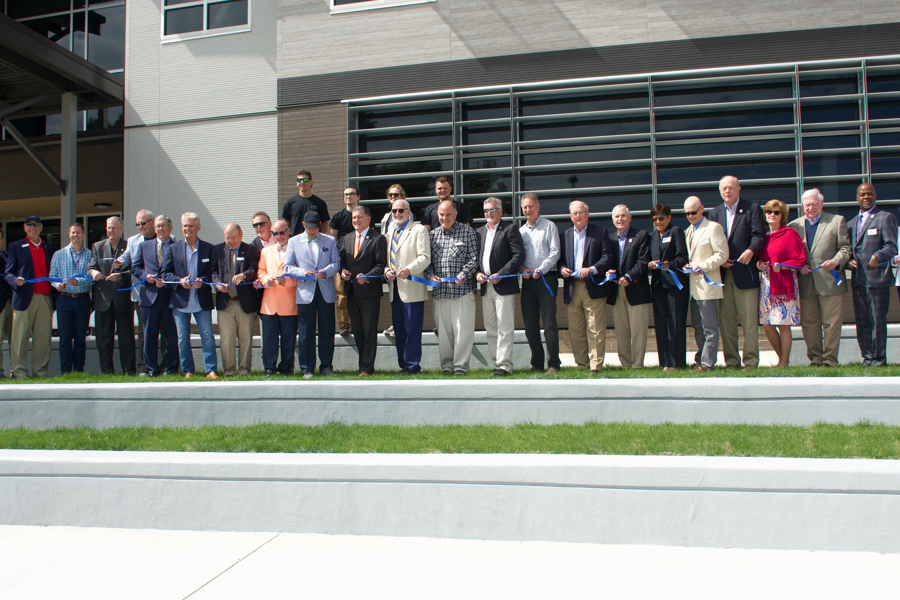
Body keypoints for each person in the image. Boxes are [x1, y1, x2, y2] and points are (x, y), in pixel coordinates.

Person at [787, 189, 850, 367]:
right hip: (806, 282)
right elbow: (791, 254)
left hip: (830, 280)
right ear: (803, 206)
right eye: (807, 204)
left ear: (821, 203)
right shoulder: (794, 226)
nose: (811, 207)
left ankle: (830, 359)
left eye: (814, 203)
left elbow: (845, 248)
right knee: (809, 323)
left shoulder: (836, 221)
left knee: (832, 323)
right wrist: (799, 267)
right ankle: (815, 358)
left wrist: (836, 261)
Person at [709, 175, 766, 371]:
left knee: (749, 321)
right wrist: (719, 259)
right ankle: (731, 362)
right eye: (724, 188)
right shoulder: (714, 213)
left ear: (738, 189)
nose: (727, 191)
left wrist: (751, 251)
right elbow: (711, 242)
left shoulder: (752, 208)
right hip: (724, 276)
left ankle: (750, 361)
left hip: (746, 273)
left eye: (731, 187)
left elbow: (759, 236)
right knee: (727, 323)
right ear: (720, 191)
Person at [162, 212, 219, 379]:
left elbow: (213, 272)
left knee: (207, 335)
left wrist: (204, 280)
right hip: (180, 301)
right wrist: (180, 281)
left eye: (191, 226)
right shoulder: (173, 249)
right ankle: (188, 370)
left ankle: (210, 370)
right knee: (182, 338)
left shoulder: (209, 248)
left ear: (198, 227)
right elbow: (165, 274)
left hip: (201, 300)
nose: (187, 229)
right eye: (185, 226)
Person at [559, 200, 614, 374]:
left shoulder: (600, 232)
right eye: (575, 213)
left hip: (593, 286)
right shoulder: (565, 235)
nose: (578, 216)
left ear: (587, 214)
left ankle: (595, 366)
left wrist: (592, 269)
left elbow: (607, 256)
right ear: (571, 216)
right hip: (572, 287)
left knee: (595, 328)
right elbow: (560, 259)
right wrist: (562, 269)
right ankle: (582, 364)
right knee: (575, 329)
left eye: (581, 212)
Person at [283, 211, 340, 379]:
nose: (312, 231)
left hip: (325, 291)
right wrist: (302, 272)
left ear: (320, 226)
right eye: (309, 228)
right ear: (303, 225)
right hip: (305, 291)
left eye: (315, 228)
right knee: (306, 331)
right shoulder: (293, 241)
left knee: (327, 330)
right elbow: (287, 267)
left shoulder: (329, 240)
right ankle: (307, 368)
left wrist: (327, 272)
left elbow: (336, 263)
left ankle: (326, 366)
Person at [425, 200, 479, 375]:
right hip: (441, 293)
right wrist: (430, 275)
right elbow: (427, 262)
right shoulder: (432, 236)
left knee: (463, 332)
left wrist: (464, 273)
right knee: (444, 333)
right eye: (441, 215)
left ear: (455, 214)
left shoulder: (468, 232)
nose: (444, 218)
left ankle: (461, 366)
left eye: (448, 214)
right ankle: (447, 366)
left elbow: (474, 259)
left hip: (462, 291)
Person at [848, 183, 898, 367]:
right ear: (857, 198)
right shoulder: (851, 224)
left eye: (869, 194)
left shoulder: (885, 218)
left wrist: (878, 256)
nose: (866, 197)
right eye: (862, 194)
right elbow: (849, 251)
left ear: (875, 195)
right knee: (862, 322)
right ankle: (867, 358)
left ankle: (879, 359)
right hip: (858, 281)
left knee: (877, 321)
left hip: (878, 280)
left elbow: (891, 247)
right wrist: (847, 262)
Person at [476, 197, 524, 377]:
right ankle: (496, 363)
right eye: (486, 210)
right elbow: (476, 258)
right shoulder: (479, 232)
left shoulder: (510, 229)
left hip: (504, 286)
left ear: (501, 211)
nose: (489, 213)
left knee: (505, 326)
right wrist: (477, 273)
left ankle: (505, 365)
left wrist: (501, 274)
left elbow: (518, 256)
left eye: (493, 210)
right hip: (486, 287)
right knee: (490, 327)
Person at [757, 199, 807, 368]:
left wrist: (784, 266)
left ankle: (783, 362)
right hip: (767, 285)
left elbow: (800, 258)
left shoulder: (789, 234)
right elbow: (758, 258)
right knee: (767, 325)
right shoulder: (762, 236)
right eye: (769, 212)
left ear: (782, 216)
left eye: (776, 212)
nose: (772, 215)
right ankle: (782, 359)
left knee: (783, 324)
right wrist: (759, 264)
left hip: (784, 283)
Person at [4, 216, 56, 378]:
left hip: (45, 297)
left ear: (41, 228)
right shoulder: (15, 246)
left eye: (36, 224)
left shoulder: (49, 247)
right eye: (29, 225)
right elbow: (8, 273)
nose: (32, 227)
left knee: (42, 338)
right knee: (20, 337)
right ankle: (19, 372)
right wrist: (15, 280)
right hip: (23, 298)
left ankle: (40, 372)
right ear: (24, 227)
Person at [340, 206, 387, 376]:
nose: (356, 221)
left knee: (369, 331)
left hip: (369, 292)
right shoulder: (347, 238)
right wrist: (343, 271)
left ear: (368, 219)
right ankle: (363, 365)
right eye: (353, 218)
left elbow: (381, 265)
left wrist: (367, 276)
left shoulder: (377, 238)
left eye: (359, 218)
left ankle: (367, 367)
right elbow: (342, 261)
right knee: (358, 330)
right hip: (352, 291)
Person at [683, 196, 728, 372]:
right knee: (698, 327)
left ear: (702, 209)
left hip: (708, 286)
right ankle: (701, 358)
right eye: (687, 213)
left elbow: (722, 254)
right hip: (693, 288)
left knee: (709, 327)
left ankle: (708, 363)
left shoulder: (713, 228)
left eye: (694, 212)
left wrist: (701, 266)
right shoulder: (688, 231)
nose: (691, 216)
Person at [519, 192, 562, 374]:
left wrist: (541, 269)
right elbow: (517, 256)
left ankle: (554, 364)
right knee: (530, 325)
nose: (528, 210)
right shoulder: (520, 231)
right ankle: (537, 364)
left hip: (546, 280)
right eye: (524, 207)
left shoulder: (549, 226)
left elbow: (555, 252)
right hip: (527, 282)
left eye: (530, 206)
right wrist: (522, 269)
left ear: (538, 206)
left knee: (549, 324)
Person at [131, 215, 179, 377]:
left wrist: (166, 282)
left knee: (171, 334)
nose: (160, 229)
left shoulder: (177, 245)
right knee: (149, 335)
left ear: (170, 228)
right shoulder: (144, 246)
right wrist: (147, 276)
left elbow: (180, 270)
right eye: (158, 226)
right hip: (149, 297)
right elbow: (135, 268)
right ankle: (151, 369)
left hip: (170, 297)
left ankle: (171, 368)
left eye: (163, 226)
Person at [87, 216, 135, 375]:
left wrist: (121, 276)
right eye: (108, 228)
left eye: (114, 228)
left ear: (121, 230)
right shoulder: (97, 246)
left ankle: (129, 371)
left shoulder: (129, 246)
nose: (111, 231)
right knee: (103, 340)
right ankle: (106, 372)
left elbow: (135, 270)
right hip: (103, 299)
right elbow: (91, 267)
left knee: (126, 339)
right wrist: (94, 272)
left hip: (123, 300)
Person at [606, 204, 652, 369]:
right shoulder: (610, 238)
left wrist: (628, 277)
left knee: (638, 330)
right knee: (622, 330)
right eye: (617, 216)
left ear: (630, 218)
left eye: (623, 216)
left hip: (636, 288)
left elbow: (643, 262)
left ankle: (637, 364)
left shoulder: (641, 235)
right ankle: (626, 364)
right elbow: (607, 259)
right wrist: (608, 271)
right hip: (616, 290)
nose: (620, 219)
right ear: (613, 220)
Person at [213, 223, 260, 377]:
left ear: (241, 234)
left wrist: (243, 275)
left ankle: (244, 370)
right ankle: (229, 371)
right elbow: (212, 272)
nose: (231, 241)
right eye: (228, 238)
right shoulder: (217, 250)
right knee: (227, 339)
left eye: (234, 237)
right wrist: (217, 284)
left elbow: (254, 269)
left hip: (244, 302)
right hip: (225, 301)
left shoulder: (251, 250)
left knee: (246, 337)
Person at [648, 203, 690, 371]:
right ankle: (664, 362)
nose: (658, 222)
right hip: (658, 285)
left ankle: (676, 363)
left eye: (661, 218)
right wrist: (651, 264)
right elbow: (647, 259)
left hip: (674, 285)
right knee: (661, 323)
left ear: (669, 217)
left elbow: (682, 256)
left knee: (675, 323)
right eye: (655, 219)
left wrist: (669, 264)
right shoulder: (651, 236)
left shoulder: (676, 231)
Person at [49, 222, 92, 374]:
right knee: (65, 338)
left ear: (83, 234)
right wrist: (57, 285)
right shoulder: (58, 254)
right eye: (73, 232)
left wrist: (79, 281)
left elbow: (92, 277)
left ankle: (79, 370)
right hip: (64, 299)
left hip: (82, 299)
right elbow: (52, 277)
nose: (75, 235)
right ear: (69, 234)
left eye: (78, 232)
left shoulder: (90, 255)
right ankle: (66, 371)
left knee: (80, 338)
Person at [257, 220, 297, 376]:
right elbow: (260, 271)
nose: (279, 236)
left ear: (288, 231)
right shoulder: (265, 251)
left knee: (288, 340)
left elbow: (302, 274)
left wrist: (288, 281)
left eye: (282, 232)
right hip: (269, 303)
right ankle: (269, 368)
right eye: (275, 233)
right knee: (269, 339)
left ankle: (286, 368)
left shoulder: (296, 250)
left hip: (289, 301)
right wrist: (264, 279)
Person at [121, 209, 157, 375]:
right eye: (138, 224)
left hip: (163, 293)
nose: (140, 226)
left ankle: (165, 367)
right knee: (144, 332)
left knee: (165, 332)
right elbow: (126, 259)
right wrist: (118, 262)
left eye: (143, 223)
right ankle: (144, 368)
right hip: (142, 294)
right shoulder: (132, 241)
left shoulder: (166, 238)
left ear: (152, 222)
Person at [379, 184, 416, 339]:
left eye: (397, 194)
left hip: (405, 268)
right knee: (394, 299)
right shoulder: (387, 217)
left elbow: (409, 240)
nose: (393, 197)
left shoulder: (407, 214)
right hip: (391, 264)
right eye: (391, 195)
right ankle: (395, 325)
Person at [330, 186, 360, 336]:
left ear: (358, 196)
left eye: (351, 194)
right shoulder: (338, 217)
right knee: (341, 295)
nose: (348, 196)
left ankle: (359, 324)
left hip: (360, 260)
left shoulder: (364, 215)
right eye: (346, 194)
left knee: (360, 295)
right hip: (342, 261)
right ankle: (344, 325)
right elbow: (332, 240)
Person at [282, 169, 330, 237]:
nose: (302, 182)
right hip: (296, 242)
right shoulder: (290, 203)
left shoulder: (320, 203)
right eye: (299, 180)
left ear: (311, 182)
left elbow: (324, 224)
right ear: (296, 183)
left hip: (314, 241)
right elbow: (286, 224)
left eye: (305, 180)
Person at [0, 229, 12, 378]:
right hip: (0, 303)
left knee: (15, 340)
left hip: (14, 301)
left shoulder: (9, 255)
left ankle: (15, 371)